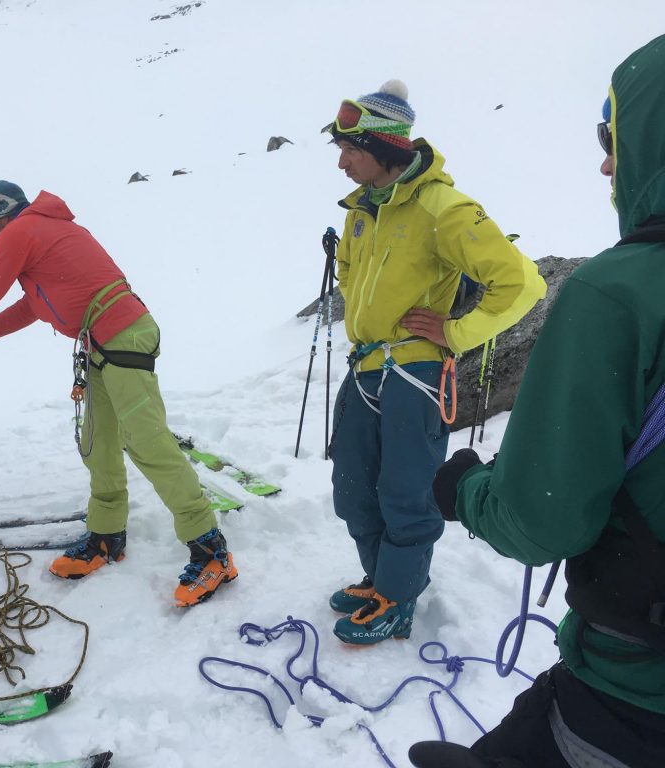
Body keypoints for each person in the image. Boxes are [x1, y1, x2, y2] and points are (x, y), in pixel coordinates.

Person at [410, 36, 665, 768]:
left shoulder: (619, 296)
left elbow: (541, 519)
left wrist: (468, 490)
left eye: (613, 137)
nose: (607, 164)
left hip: (632, 699)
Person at [0, 181, 237, 606]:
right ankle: (107, 535)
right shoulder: (41, 237)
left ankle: (211, 550)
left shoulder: (23, 229)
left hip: (122, 334)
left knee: (146, 441)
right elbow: (30, 307)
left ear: (7, 210)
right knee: (99, 442)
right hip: (102, 341)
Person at [324, 81, 546, 645]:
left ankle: (398, 597)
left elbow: (522, 284)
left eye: (350, 149)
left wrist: (455, 333)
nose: (342, 163)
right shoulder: (360, 212)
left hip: (416, 373)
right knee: (352, 487)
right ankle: (381, 579)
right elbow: (348, 270)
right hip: (366, 367)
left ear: (384, 147)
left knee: (405, 490)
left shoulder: (444, 208)